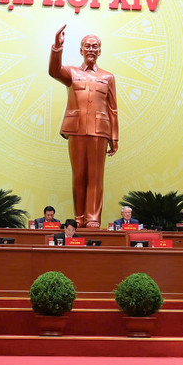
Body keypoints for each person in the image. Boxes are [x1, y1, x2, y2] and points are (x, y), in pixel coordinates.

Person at [49, 25, 119, 228]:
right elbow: (54, 71)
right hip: (76, 129)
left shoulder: (107, 77)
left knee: (95, 177)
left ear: (100, 51)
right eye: (87, 46)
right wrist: (57, 47)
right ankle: (79, 217)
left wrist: (114, 136)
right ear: (81, 50)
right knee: (79, 175)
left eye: (95, 46)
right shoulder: (71, 73)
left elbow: (113, 108)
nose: (91, 49)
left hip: (99, 131)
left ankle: (93, 217)